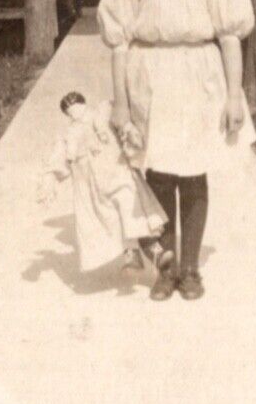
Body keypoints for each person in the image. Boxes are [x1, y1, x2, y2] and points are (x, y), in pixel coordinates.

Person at [97, 0, 256, 301]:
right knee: (159, 175)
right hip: (150, 81)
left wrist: (234, 96)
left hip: (198, 79)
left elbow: (229, 38)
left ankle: (190, 269)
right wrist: (121, 103)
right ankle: (164, 267)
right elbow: (120, 43)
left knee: (193, 174)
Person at [39, 91, 171, 278]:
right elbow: (58, 158)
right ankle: (133, 256)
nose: (74, 112)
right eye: (69, 111)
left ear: (84, 104)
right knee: (112, 221)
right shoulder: (69, 134)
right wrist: (49, 179)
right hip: (93, 188)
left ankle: (159, 258)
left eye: (76, 106)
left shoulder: (103, 113)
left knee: (133, 213)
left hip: (119, 174)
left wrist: (129, 135)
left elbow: (124, 121)